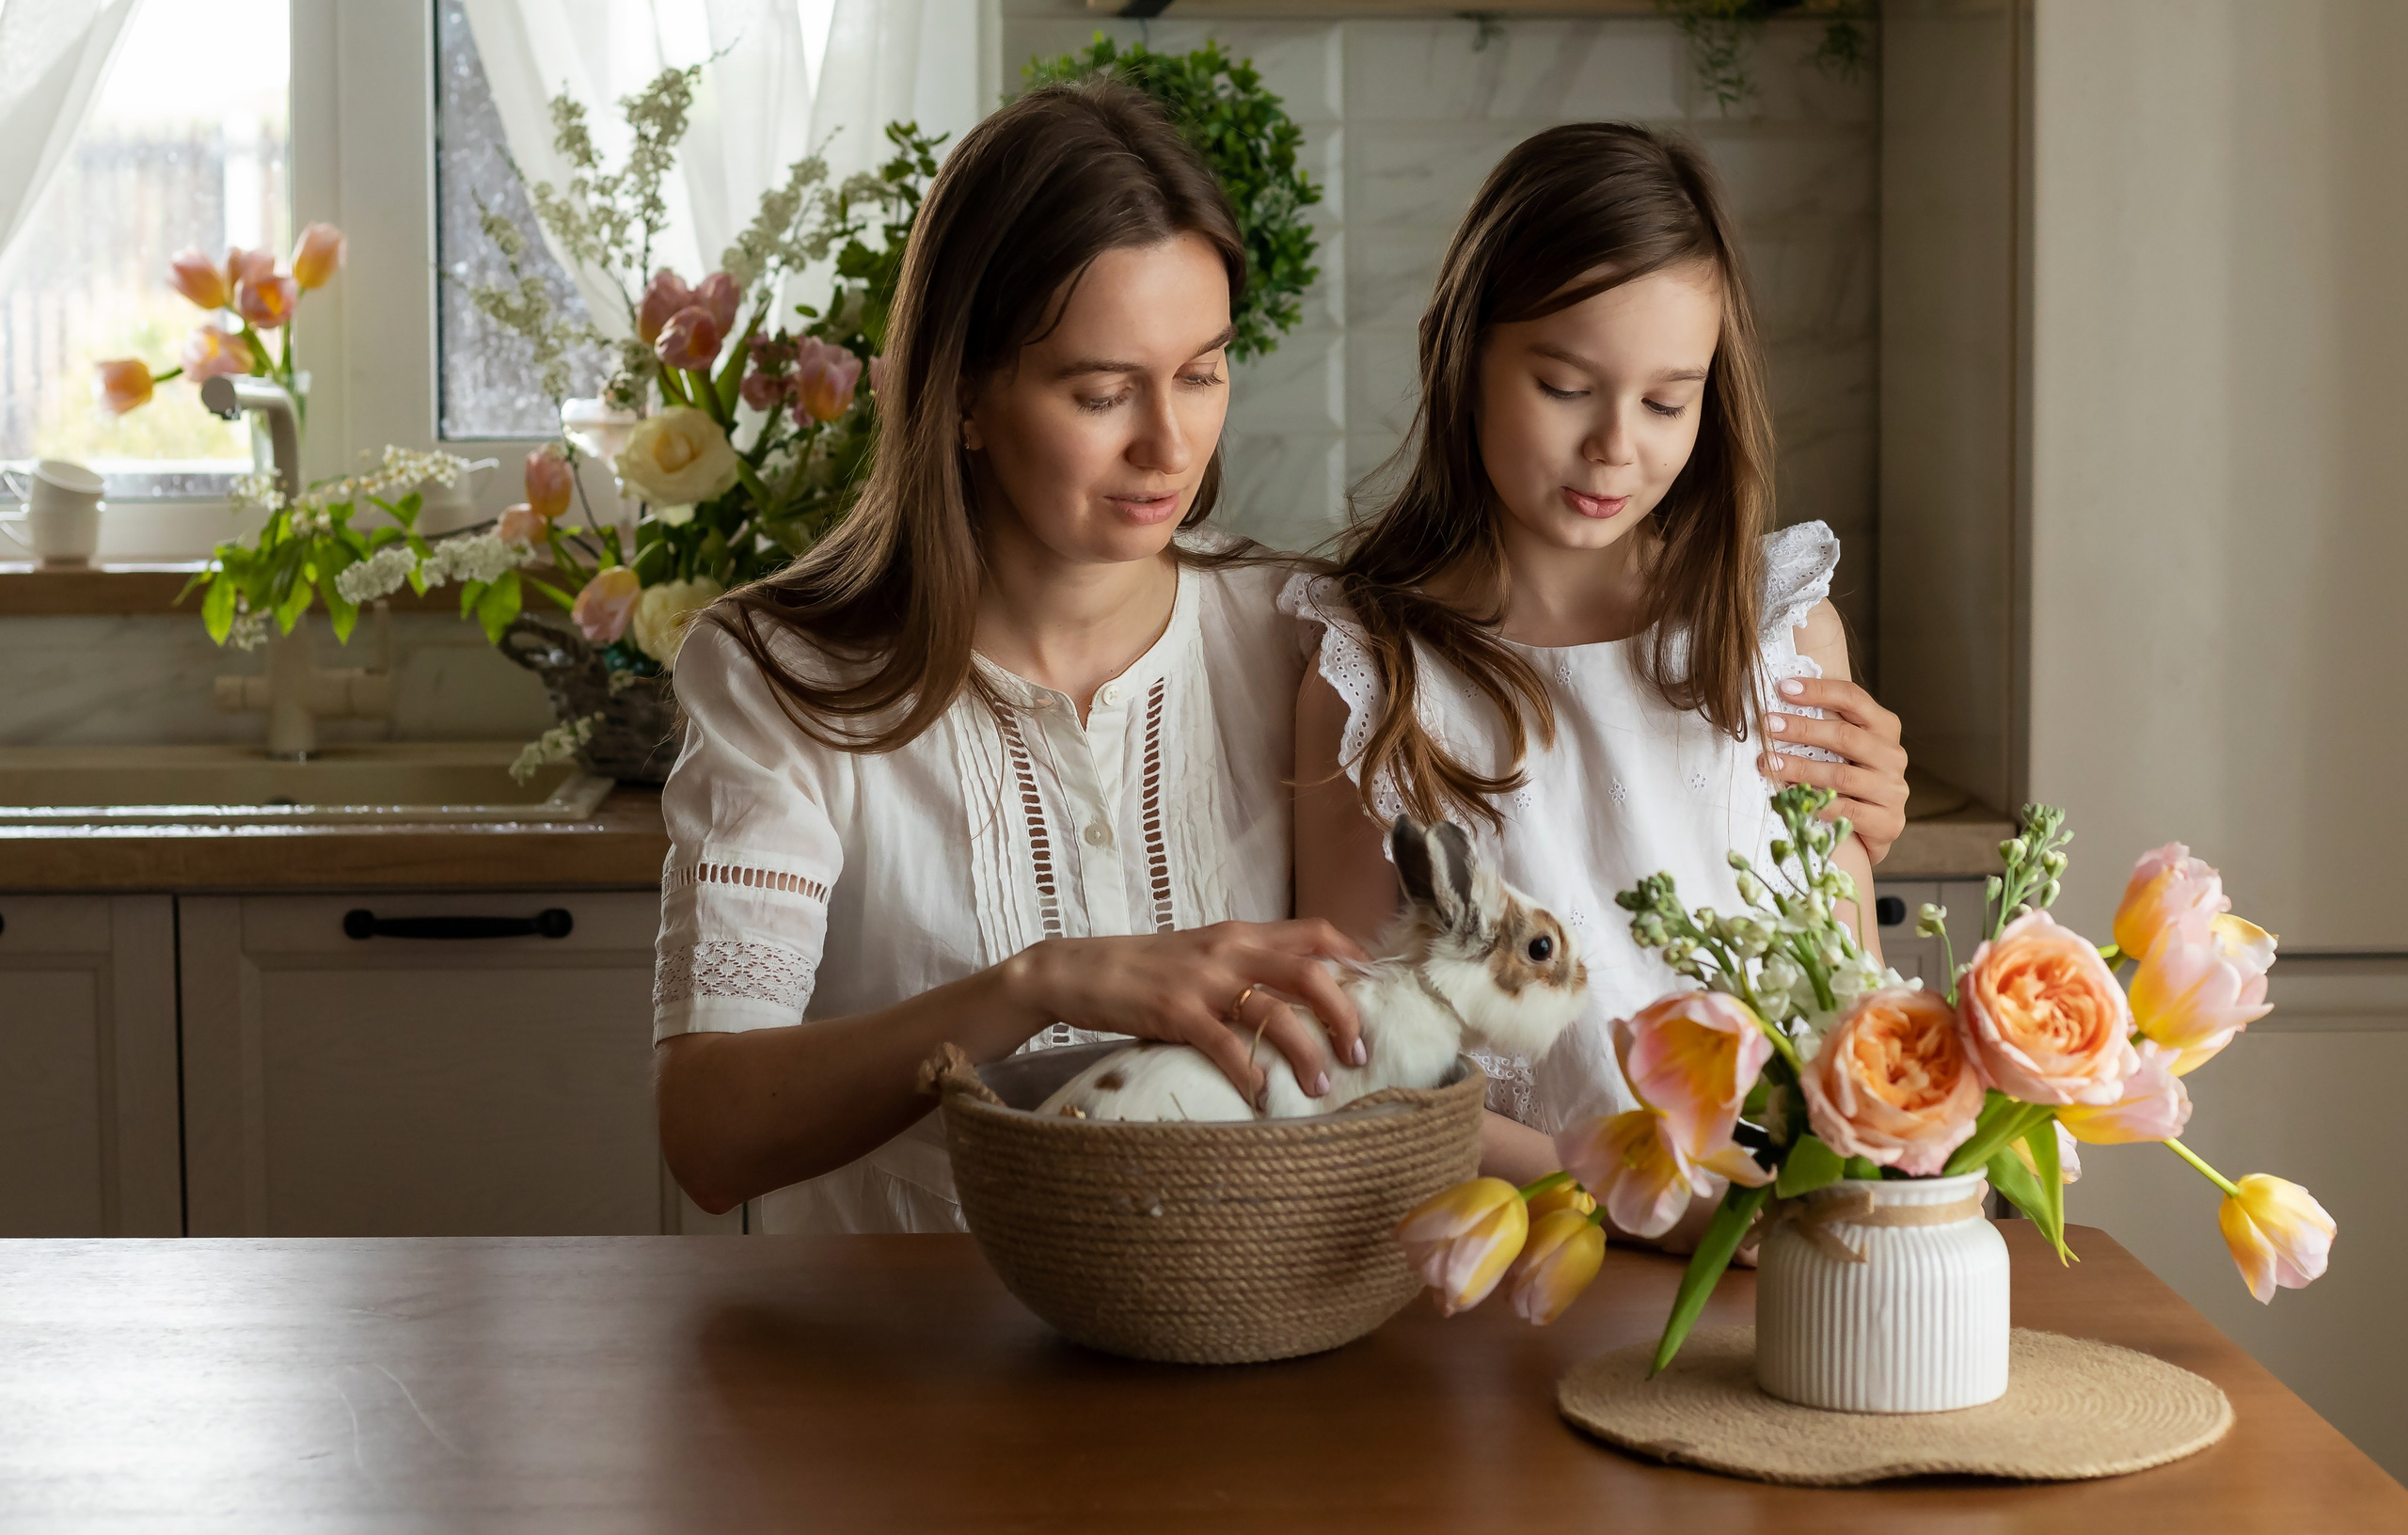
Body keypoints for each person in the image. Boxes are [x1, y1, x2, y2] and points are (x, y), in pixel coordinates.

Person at [651, 80, 1369, 1233]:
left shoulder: (1304, 635)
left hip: (1230, 1351)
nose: (1168, 443)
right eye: (1100, 391)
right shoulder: (779, 674)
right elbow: (709, 1131)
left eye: (1200, 371)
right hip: (892, 1378)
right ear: (966, 396)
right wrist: (1037, 984)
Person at [1283, 122, 1911, 1211]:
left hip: (1783, 1252)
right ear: (1463, 352)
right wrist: (1647, 1203)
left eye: (1668, 401)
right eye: (1567, 386)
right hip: (1521, 1256)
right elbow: (1362, 1067)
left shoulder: (1774, 632)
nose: (1617, 445)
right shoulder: (1374, 678)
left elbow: (1846, 985)